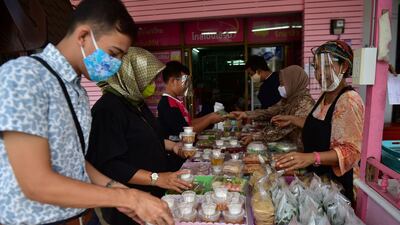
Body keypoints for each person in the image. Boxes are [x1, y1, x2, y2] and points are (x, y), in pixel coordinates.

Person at [0, 1, 173, 225]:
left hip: (81, 217)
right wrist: (128, 197)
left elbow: (75, 161)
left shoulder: (78, 91)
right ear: (83, 36)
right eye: (114, 53)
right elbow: (36, 183)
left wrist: (117, 189)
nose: (118, 65)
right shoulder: (24, 76)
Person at [86, 47, 191, 225]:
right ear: (130, 76)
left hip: (153, 192)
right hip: (128, 204)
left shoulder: (137, 103)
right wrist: (156, 178)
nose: (152, 85)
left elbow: (150, 137)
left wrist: (173, 146)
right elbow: (110, 164)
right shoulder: (107, 110)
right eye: (148, 79)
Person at [272, 40, 364, 203]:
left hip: (337, 190)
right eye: (317, 67)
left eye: (327, 66)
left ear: (344, 67)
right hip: (319, 183)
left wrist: (311, 157)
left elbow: (351, 151)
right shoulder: (326, 95)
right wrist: (292, 120)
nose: (320, 73)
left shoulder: (349, 100)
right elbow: (322, 126)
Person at [232, 65, 315, 149]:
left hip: (302, 152)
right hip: (290, 147)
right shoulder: (288, 100)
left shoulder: (305, 102)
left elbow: (283, 129)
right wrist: (246, 114)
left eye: (283, 83)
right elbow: (270, 111)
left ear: (292, 81)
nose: (280, 87)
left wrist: (254, 137)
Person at [157, 61, 224, 138]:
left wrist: (211, 115)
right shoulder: (168, 104)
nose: (187, 86)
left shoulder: (174, 101)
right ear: (173, 81)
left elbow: (188, 123)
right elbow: (184, 132)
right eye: (185, 82)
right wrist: (210, 119)